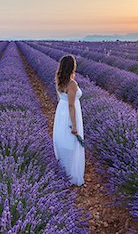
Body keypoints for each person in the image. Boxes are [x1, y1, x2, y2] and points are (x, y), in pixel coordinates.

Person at [52, 55, 85, 186]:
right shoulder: (72, 84)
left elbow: (60, 99)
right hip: (70, 114)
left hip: (61, 113)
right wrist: (74, 126)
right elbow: (71, 105)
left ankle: (63, 172)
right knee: (72, 143)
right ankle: (71, 174)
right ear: (72, 67)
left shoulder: (59, 81)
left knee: (62, 140)